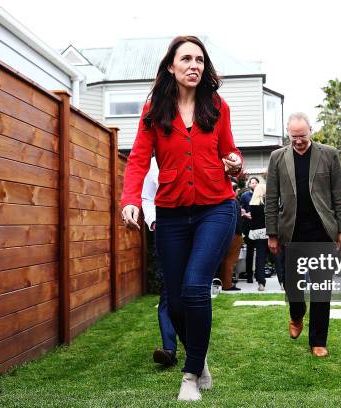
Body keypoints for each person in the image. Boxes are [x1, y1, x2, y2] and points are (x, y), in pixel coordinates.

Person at [121, 36, 243, 401]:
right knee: (174, 301)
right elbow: (139, 160)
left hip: (216, 207)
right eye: (186, 59)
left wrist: (235, 161)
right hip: (171, 213)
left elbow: (230, 151)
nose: (194, 65)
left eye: (200, 60)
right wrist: (130, 200)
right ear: (171, 67)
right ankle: (199, 354)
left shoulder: (217, 106)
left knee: (194, 287)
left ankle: (190, 375)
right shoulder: (154, 110)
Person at [265, 112, 341, 357]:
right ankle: (296, 313)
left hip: (323, 233)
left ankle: (318, 341)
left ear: (311, 131)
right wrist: (272, 234)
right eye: (294, 137)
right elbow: (271, 198)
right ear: (288, 134)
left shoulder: (329, 154)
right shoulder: (277, 158)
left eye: (302, 136)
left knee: (322, 289)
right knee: (293, 287)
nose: (299, 141)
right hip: (290, 234)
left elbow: (340, 196)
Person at [141, 157, 179, 366]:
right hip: (165, 231)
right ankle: (169, 349)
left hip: (194, 230)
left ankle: (194, 343)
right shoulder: (154, 163)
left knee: (191, 289)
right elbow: (147, 197)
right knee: (168, 290)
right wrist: (153, 220)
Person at [248, 183, 268, 291]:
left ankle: (261, 283)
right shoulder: (266, 204)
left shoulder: (252, 204)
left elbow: (253, 220)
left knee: (260, 258)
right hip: (269, 233)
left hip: (257, 233)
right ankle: (282, 281)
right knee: (277, 258)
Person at [220, 197, 242, 291]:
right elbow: (236, 218)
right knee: (231, 260)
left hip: (227, 232)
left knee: (225, 259)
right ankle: (227, 284)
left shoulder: (224, 200)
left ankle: (224, 282)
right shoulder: (233, 201)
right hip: (235, 233)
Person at [239, 177, 259, 283]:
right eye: (252, 182)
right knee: (250, 252)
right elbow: (241, 209)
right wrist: (246, 214)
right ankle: (249, 276)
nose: (254, 184)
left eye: (256, 182)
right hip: (248, 226)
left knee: (260, 252)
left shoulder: (262, 195)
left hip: (260, 226)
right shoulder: (244, 196)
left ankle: (259, 274)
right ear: (249, 184)